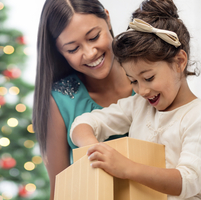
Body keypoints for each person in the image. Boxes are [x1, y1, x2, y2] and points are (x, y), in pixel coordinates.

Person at [70, 0, 201, 199]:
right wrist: (94, 149)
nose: (141, 90)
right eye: (133, 80)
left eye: (149, 78)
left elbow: (187, 182)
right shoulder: (138, 106)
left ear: (179, 61)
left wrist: (127, 168)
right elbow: (83, 124)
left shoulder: (200, 117)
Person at [32, 0, 134, 199]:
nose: (89, 53)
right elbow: (60, 191)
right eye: (72, 49)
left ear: (107, 17)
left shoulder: (149, 77)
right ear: (59, 52)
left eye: (94, 37)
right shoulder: (60, 100)